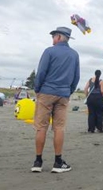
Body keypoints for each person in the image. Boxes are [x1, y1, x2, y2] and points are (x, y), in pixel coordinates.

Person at [31, 26, 80, 174]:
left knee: (41, 127)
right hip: (63, 93)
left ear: (59, 37)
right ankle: (58, 162)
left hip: (46, 92)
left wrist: (37, 89)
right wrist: (69, 91)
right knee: (59, 128)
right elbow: (76, 77)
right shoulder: (74, 55)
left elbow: (41, 73)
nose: (52, 40)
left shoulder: (49, 51)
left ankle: (38, 161)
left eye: (53, 36)